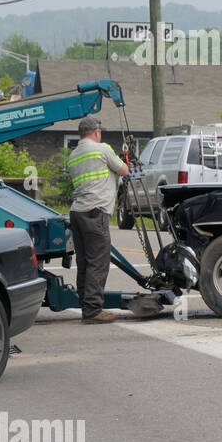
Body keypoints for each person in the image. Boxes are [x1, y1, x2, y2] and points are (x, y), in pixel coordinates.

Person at [68, 118, 129, 324]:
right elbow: (124, 170)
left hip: (77, 213)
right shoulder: (102, 149)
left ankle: (86, 306)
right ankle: (93, 310)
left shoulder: (73, 155)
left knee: (84, 262)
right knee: (98, 262)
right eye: (100, 132)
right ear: (95, 132)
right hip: (96, 213)